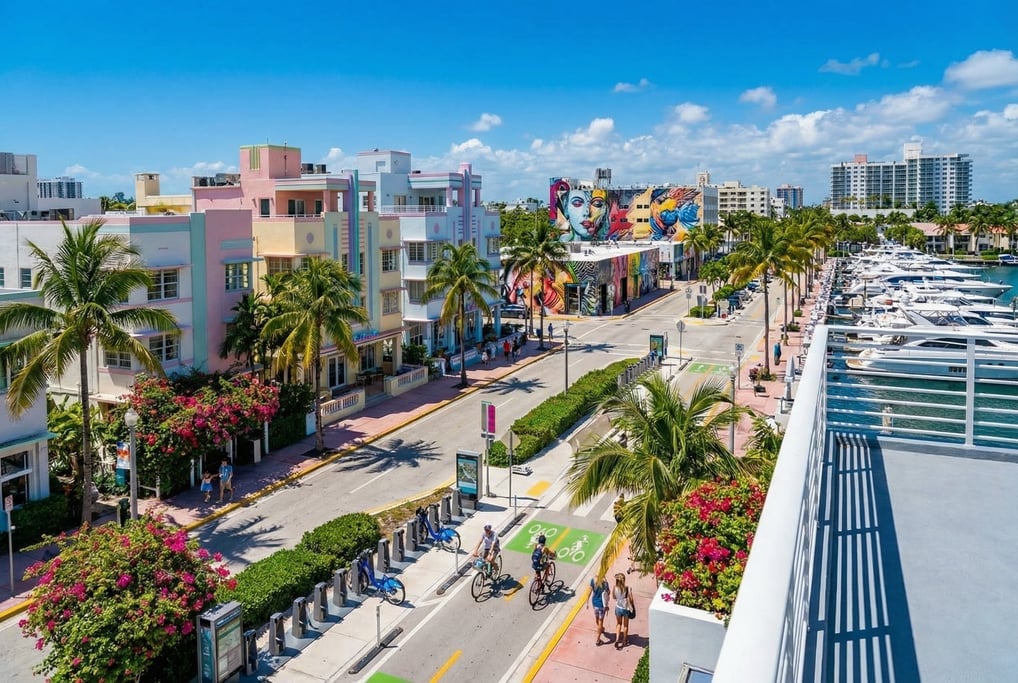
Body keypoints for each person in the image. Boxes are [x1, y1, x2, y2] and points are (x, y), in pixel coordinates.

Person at [612, 572, 634, 648]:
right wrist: (630, 592)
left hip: (618, 608)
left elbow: (614, 597)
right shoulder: (626, 588)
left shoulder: (615, 587)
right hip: (625, 609)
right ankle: (624, 640)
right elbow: (631, 600)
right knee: (625, 625)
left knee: (618, 624)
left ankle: (617, 639)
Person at [589, 576, 611, 645]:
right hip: (602, 605)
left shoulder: (593, 580)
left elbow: (590, 590)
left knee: (597, 618)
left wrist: (587, 601)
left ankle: (600, 628)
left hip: (595, 603)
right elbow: (608, 593)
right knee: (601, 621)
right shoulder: (605, 583)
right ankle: (598, 640)